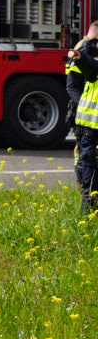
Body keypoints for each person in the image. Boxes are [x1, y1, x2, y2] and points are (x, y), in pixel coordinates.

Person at [66, 22, 98, 212]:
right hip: (89, 124)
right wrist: (80, 58)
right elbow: (89, 70)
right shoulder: (87, 55)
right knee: (90, 178)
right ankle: (87, 220)